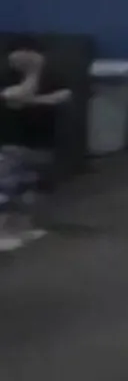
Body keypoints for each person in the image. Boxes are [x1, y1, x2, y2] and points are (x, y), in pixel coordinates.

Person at [0, 37, 72, 247]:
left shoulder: (54, 76)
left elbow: (63, 97)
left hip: (43, 144)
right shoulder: (5, 75)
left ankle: (21, 228)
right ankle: (2, 231)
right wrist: (33, 73)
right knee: (7, 187)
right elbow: (15, 100)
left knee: (31, 190)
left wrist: (33, 100)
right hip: (11, 144)